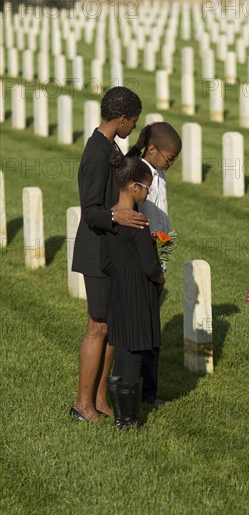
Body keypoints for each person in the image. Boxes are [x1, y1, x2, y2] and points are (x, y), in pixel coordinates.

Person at [70, 86, 149, 422]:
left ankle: (100, 400)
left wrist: (140, 147)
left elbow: (119, 174)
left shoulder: (108, 147)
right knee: (97, 327)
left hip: (109, 250)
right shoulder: (95, 154)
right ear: (120, 118)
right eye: (132, 121)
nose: (132, 126)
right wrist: (117, 215)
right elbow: (90, 211)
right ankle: (82, 405)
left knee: (111, 326)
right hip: (95, 250)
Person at [101, 153, 165, 429]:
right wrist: (159, 278)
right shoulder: (138, 221)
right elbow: (149, 266)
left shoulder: (111, 219)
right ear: (134, 187)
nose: (148, 194)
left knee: (123, 350)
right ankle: (129, 419)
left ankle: (120, 417)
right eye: (148, 188)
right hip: (138, 293)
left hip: (118, 292)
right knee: (136, 352)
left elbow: (104, 262)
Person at [128, 122, 182, 405]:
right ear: (151, 149)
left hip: (159, 255)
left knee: (152, 332)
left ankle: (149, 391)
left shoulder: (158, 173)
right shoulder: (136, 173)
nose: (171, 164)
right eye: (169, 158)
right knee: (143, 333)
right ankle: (141, 392)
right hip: (143, 260)